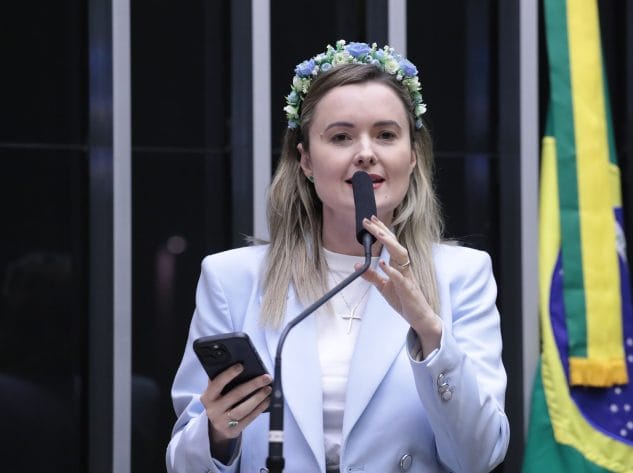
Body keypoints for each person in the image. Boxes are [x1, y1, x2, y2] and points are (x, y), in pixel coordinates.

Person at [166, 40, 510, 473]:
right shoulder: (230, 277)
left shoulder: (463, 274)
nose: (365, 152)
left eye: (386, 134)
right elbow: (183, 463)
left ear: (414, 156)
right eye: (342, 136)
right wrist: (219, 430)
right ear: (306, 160)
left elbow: (479, 457)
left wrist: (429, 333)